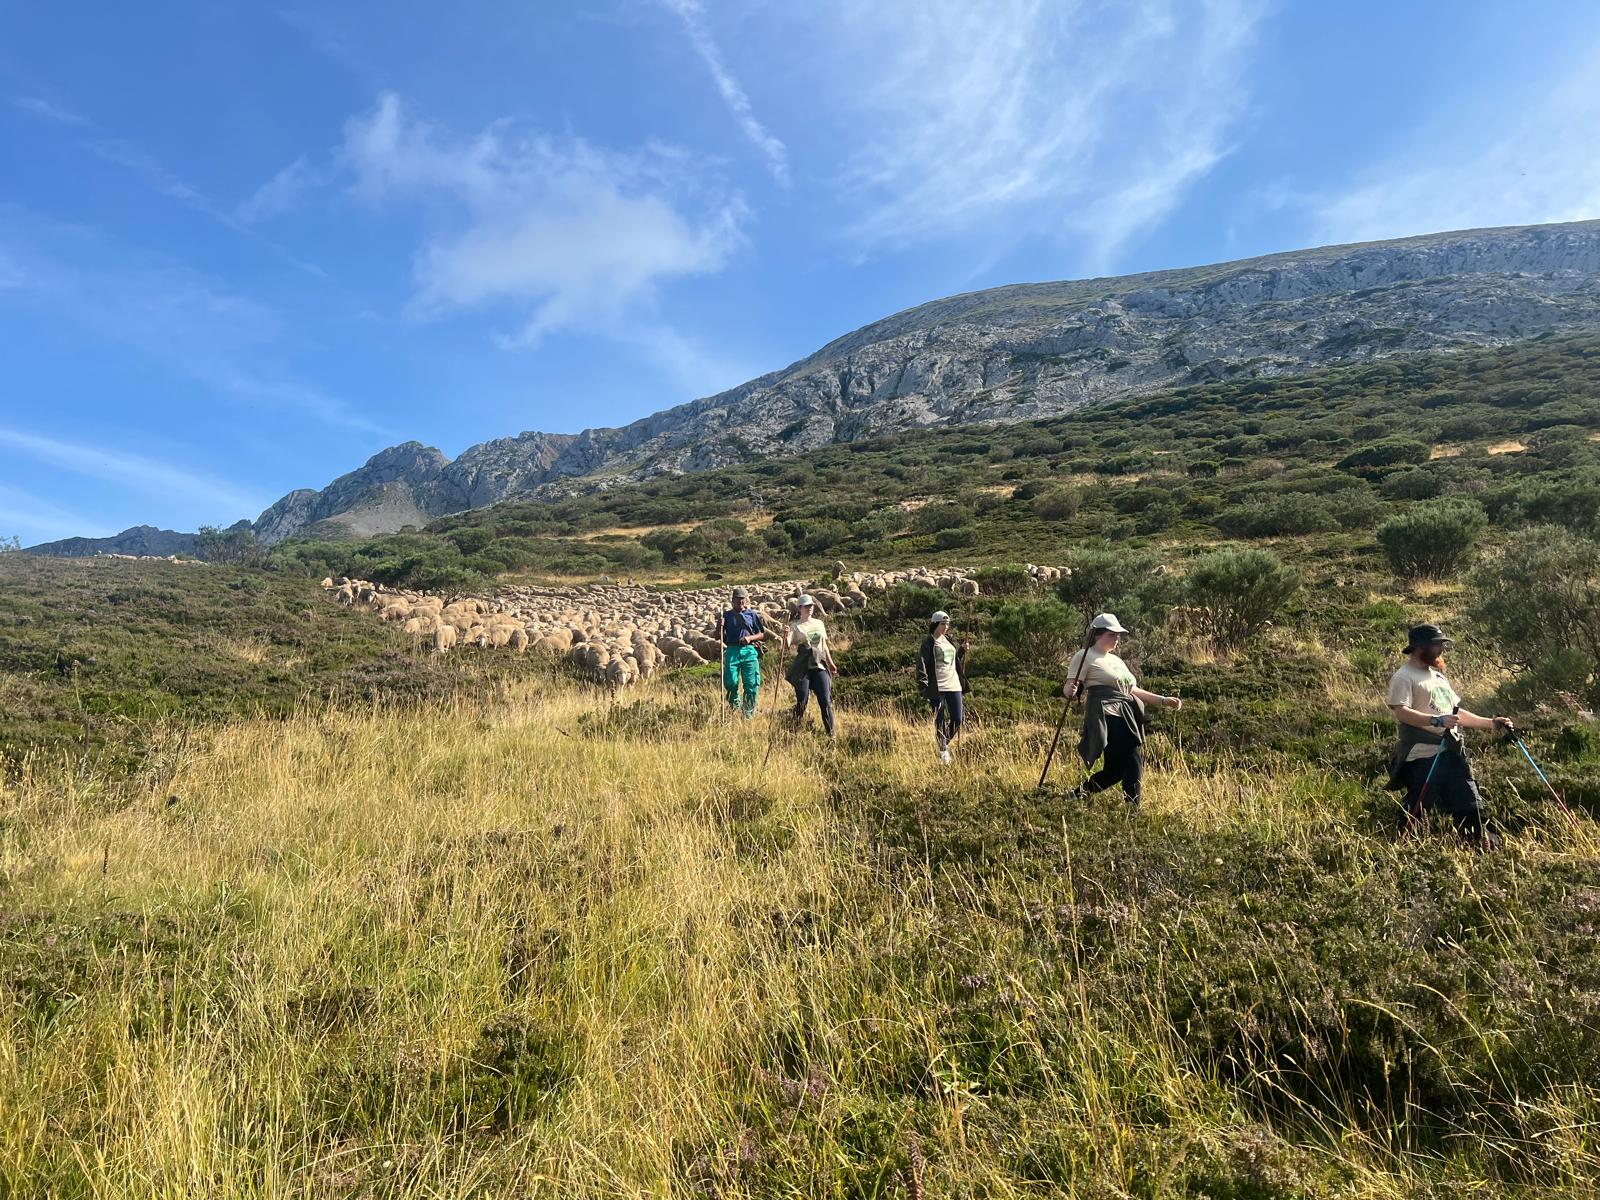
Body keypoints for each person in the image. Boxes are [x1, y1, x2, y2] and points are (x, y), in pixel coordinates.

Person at [1385, 623, 1513, 843]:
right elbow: (1402, 712)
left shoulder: (1438, 677)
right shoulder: (1404, 677)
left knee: (1471, 803)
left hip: (1451, 751)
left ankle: (1483, 849)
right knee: (1418, 809)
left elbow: (1454, 712)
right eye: (1437, 645)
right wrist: (1436, 720)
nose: (1441, 649)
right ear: (1419, 647)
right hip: (1423, 755)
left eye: (1442, 644)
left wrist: (1491, 723)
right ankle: (1403, 851)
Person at [1061, 613, 1181, 808]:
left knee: (1115, 770)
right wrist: (1070, 690)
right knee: (1132, 758)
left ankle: (1075, 796)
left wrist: (1163, 701)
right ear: (1098, 634)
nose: (1116, 638)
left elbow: (1132, 690)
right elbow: (1070, 687)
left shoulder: (1117, 661)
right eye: (1112, 634)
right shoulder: (1084, 656)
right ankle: (1133, 811)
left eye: (1118, 635)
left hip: (1126, 713)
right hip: (1105, 713)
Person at [917, 610, 969, 764]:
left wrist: (961, 650)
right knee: (939, 719)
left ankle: (944, 743)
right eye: (943, 624)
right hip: (937, 686)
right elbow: (922, 663)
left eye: (947, 624)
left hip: (954, 684)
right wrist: (923, 683)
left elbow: (952, 660)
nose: (946, 626)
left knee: (957, 719)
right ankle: (943, 752)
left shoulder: (949, 640)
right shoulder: (929, 643)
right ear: (935, 624)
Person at [786, 594, 838, 738]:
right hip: (804, 666)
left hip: (819, 664)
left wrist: (831, 663)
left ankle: (831, 735)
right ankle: (793, 731)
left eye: (811, 606)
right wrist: (785, 635)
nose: (810, 608)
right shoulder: (795, 626)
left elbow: (824, 645)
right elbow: (787, 644)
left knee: (825, 701)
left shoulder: (819, 623)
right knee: (802, 700)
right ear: (800, 608)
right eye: (806, 606)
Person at [720, 586, 766, 719]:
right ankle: (734, 706)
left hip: (749, 651)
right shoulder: (727, 615)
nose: (741, 601)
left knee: (751, 684)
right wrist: (720, 625)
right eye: (738, 599)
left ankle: (748, 714)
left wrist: (750, 638)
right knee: (730, 682)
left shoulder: (752, 615)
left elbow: (761, 634)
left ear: (746, 600)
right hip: (732, 650)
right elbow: (718, 636)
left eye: (743, 599)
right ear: (732, 600)